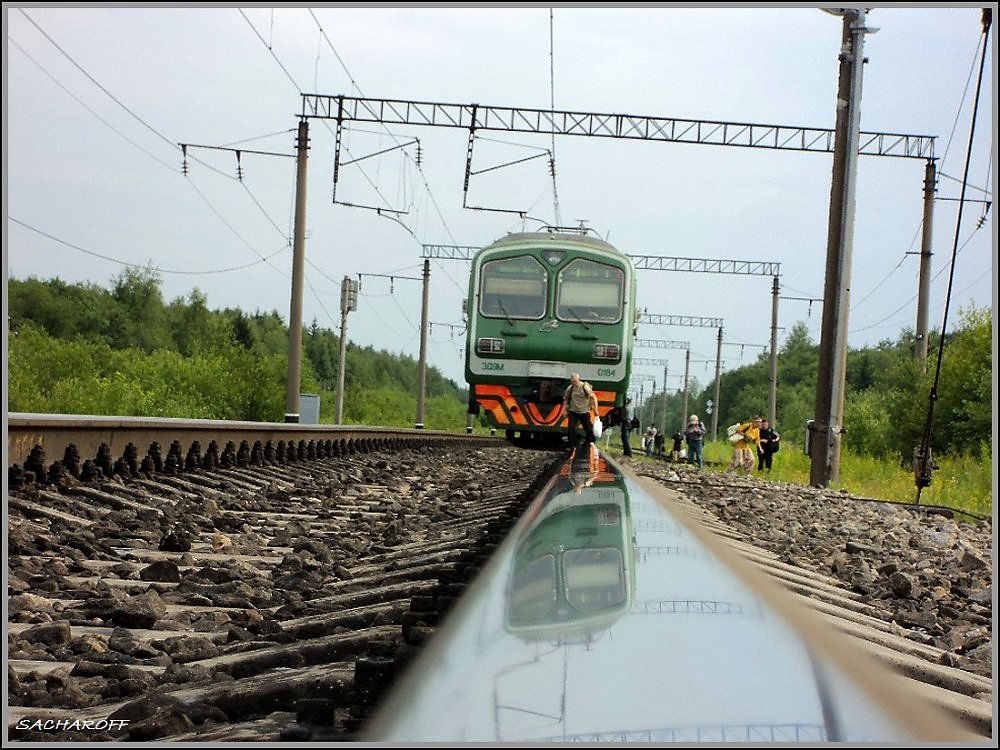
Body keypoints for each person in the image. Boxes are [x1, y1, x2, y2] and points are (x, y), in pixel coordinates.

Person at [563, 372, 599, 448]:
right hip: (573, 411)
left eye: (575, 381)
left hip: (584, 411)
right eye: (572, 381)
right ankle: (573, 445)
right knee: (571, 428)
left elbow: (594, 397)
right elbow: (566, 399)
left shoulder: (584, 387)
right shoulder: (570, 388)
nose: (574, 383)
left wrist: (596, 409)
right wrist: (564, 410)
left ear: (578, 380)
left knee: (588, 428)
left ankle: (591, 443)